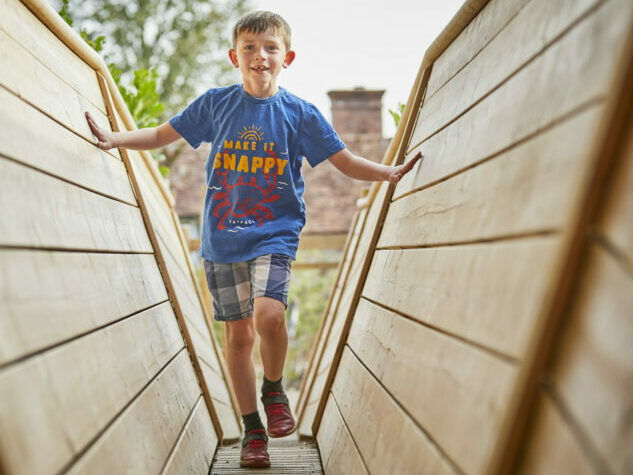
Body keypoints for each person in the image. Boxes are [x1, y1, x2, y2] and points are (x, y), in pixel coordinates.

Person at [86, 10, 422, 468]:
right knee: (239, 336)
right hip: (222, 236)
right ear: (234, 56)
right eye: (249, 48)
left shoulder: (299, 114)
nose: (259, 56)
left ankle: (274, 389)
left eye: (269, 48)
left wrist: (388, 172)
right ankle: (252, 430)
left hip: (275, 232)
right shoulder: (215, 105)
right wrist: (116, 139)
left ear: (287, 57)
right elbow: (163, 134)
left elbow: (342, 160)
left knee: (269, 316)